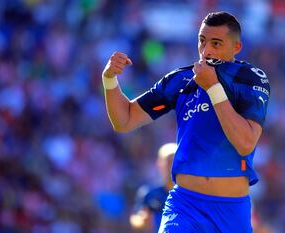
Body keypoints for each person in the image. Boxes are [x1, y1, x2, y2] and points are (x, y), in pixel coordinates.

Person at [102, 11, 270, 233]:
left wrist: (213, 89)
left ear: (236, 48)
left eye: (216, 43)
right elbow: (124, 120)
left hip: (231, 211)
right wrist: (109, 80)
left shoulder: (251, 78)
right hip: (185, 205)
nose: (206, 50)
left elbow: (246, 142)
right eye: (202, 41)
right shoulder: (180, 79)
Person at [130, 143, 177, 232]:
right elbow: (137, 218)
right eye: (168, 161)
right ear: (159, 164)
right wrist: (141, 222)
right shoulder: (148, 193)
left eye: (174, 161)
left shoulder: (188, 195)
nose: (171, 166)